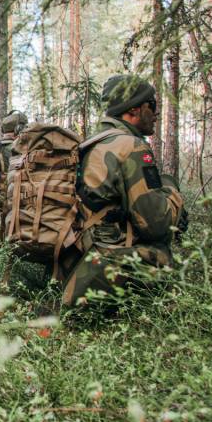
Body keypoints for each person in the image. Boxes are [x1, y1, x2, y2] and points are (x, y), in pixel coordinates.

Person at [61, 75, 185, 306]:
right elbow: (156, 225)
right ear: (135, 110)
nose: (156, 113)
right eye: (152, 105)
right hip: (103, 260)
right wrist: (173, 193)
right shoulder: (131, 147)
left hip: (77, 255)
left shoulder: (92, 142)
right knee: (161, 256)